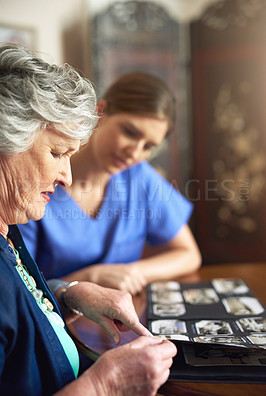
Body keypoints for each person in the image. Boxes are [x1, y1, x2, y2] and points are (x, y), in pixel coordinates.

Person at [0, 42, 177, 396]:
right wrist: (104, 386)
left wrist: (69, 292)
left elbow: (20, 305)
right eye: (56, 153)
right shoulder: (25, 206)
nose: (65, 176)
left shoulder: (10, 227)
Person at [19, 71, 202, 295]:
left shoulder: (140, 176)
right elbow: (20, 291)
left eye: (148, 146)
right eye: (130, 132)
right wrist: (90, 278)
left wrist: (134, 273)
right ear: (100, 111)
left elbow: (189, 254)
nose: (134, 153)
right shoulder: (39, 179)